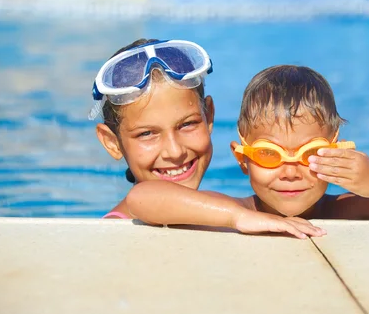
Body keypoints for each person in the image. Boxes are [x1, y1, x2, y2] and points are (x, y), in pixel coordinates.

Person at [126, 65, 369, 231]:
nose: (290, 171)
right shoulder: (233, 210)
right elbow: (143, 199)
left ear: (336, 151)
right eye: (268, 154)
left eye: (310, 154)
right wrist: (240, 218)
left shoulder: (348, 209)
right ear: (242, 159)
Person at [90, 39, 326, 239]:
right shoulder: (117, 228)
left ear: (209, 115)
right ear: (112, 142)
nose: (174, 151)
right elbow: (141, 197)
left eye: (188, 124)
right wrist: (237, 216)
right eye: (147, 134)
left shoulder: (215, 209)